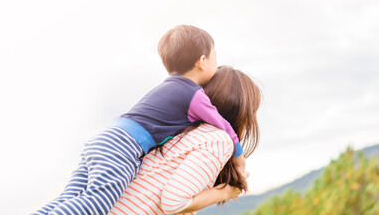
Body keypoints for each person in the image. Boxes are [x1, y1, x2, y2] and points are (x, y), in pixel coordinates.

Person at [32, 25, 245, 215]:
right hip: (122, 147)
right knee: (95, 204)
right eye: (215, 57)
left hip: (105, 139)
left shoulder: (166, 86)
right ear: (202, 61)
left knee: (68, 198)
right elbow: (222, 124)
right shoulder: (194, 94)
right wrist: (238, 154)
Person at [110, 66, 261, 214]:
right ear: (240, 115)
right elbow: (174, 203)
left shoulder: (179, 131)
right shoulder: (218, 140)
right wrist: (227, 192)